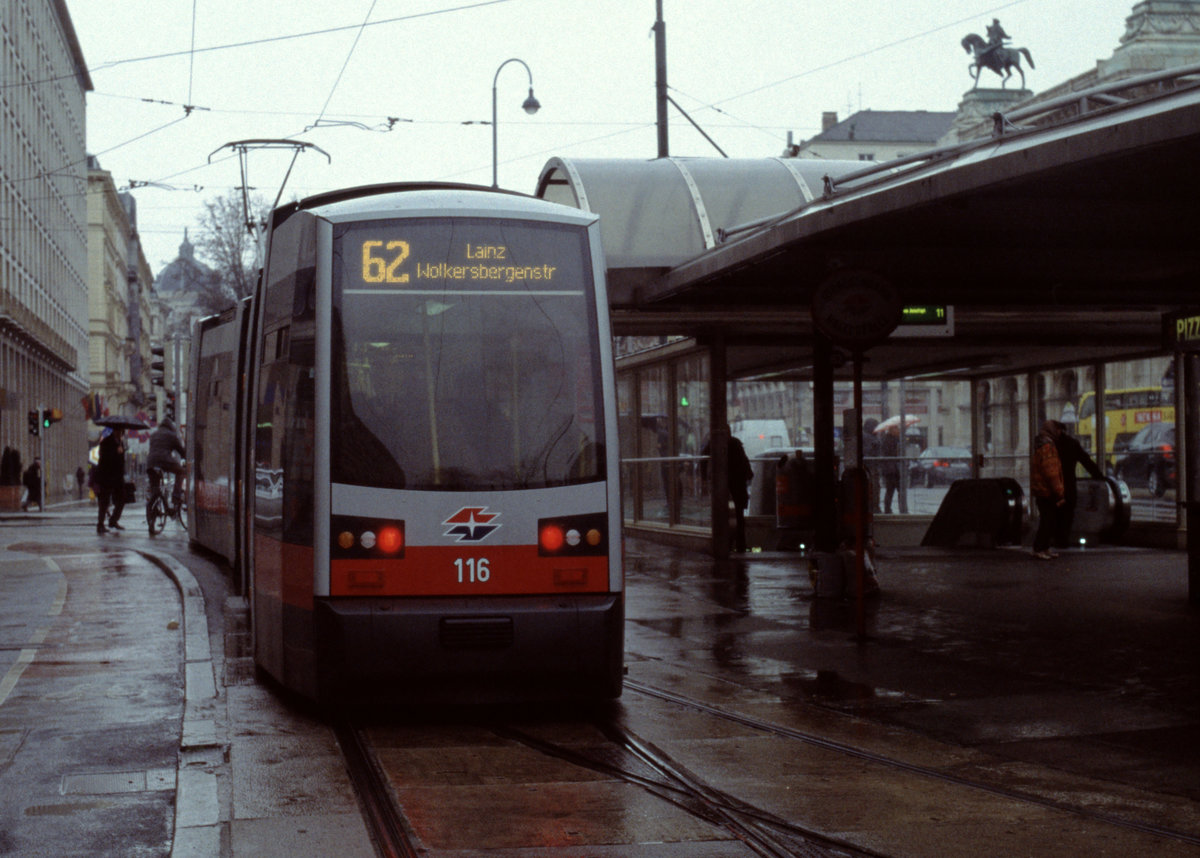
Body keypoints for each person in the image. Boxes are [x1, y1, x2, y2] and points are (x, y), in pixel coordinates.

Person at [1052, 420, 1104, 547]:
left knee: (1054, 514)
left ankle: (1055, 540)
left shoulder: (1051, 445)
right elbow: (1086, 461)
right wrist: (1098, 476)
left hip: (1054, 485)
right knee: (1067, 514)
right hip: (1069, 485)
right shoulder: (1072, 444)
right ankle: (1063, 541)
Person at [1030, 420, 1065, 559]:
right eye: (1058, 429)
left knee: (1048, 520)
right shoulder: (1047, 446)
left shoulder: (1042, 445)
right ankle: (1039, 548)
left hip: (1041, 489)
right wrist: (1059, 491)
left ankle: (1044, 547)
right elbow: (1051, 471)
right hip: (1046, 491)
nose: (1060, 433)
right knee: (1047, 521)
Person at [147, 417, 186, 509]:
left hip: (151, 462)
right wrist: (186, 457)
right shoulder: (171, 435)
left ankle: (152, 508)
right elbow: (181, 451)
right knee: (181, 472)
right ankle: (176, 497)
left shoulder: (153, 435)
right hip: (164, 460)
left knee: (154, 486)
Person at [95, 427, 127, 534]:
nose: (121, 433)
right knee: (104, 502)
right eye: (119, 431)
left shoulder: (121, 442)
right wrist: (116, 452)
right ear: (115, 431)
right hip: (107, 476)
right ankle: (100, 524)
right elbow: (104, 459)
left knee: (121, 500)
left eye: (122, 432)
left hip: (118, 477)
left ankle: (113, 520)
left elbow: (121, 461)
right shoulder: (106, 442)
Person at [728, 428, 754, 553]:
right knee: (739, 515)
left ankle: (729, 543)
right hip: (738, 483)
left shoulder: (715, 443)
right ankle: (740, 544)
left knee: (727, 515)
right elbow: (744, 460)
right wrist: (748, 474)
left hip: (727, 484)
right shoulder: (736, 443)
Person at [879, 428, 902, 514]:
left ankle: (888, 509)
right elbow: (895, 453)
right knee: (895, 489)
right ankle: (898, 508)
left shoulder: (886, 439)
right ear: (892, 430)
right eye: (897, 429)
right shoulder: (892, 440)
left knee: (890, 490)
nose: (899, 431)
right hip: (893, 469)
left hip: (891, 469)